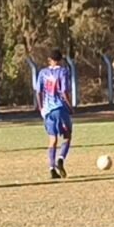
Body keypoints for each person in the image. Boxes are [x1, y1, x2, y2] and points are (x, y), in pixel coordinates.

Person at [37, 49, 73, 179]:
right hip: (60, 108)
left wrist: (41, 108)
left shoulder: (43, 72)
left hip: (47, 111)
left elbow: (38, 92)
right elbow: (64, 91)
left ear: (49, 60)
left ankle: (51, 167)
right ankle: (61, 159)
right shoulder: (63, 72)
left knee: (52, 140)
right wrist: (70, 106)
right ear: (61, 60)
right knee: (67, 136)